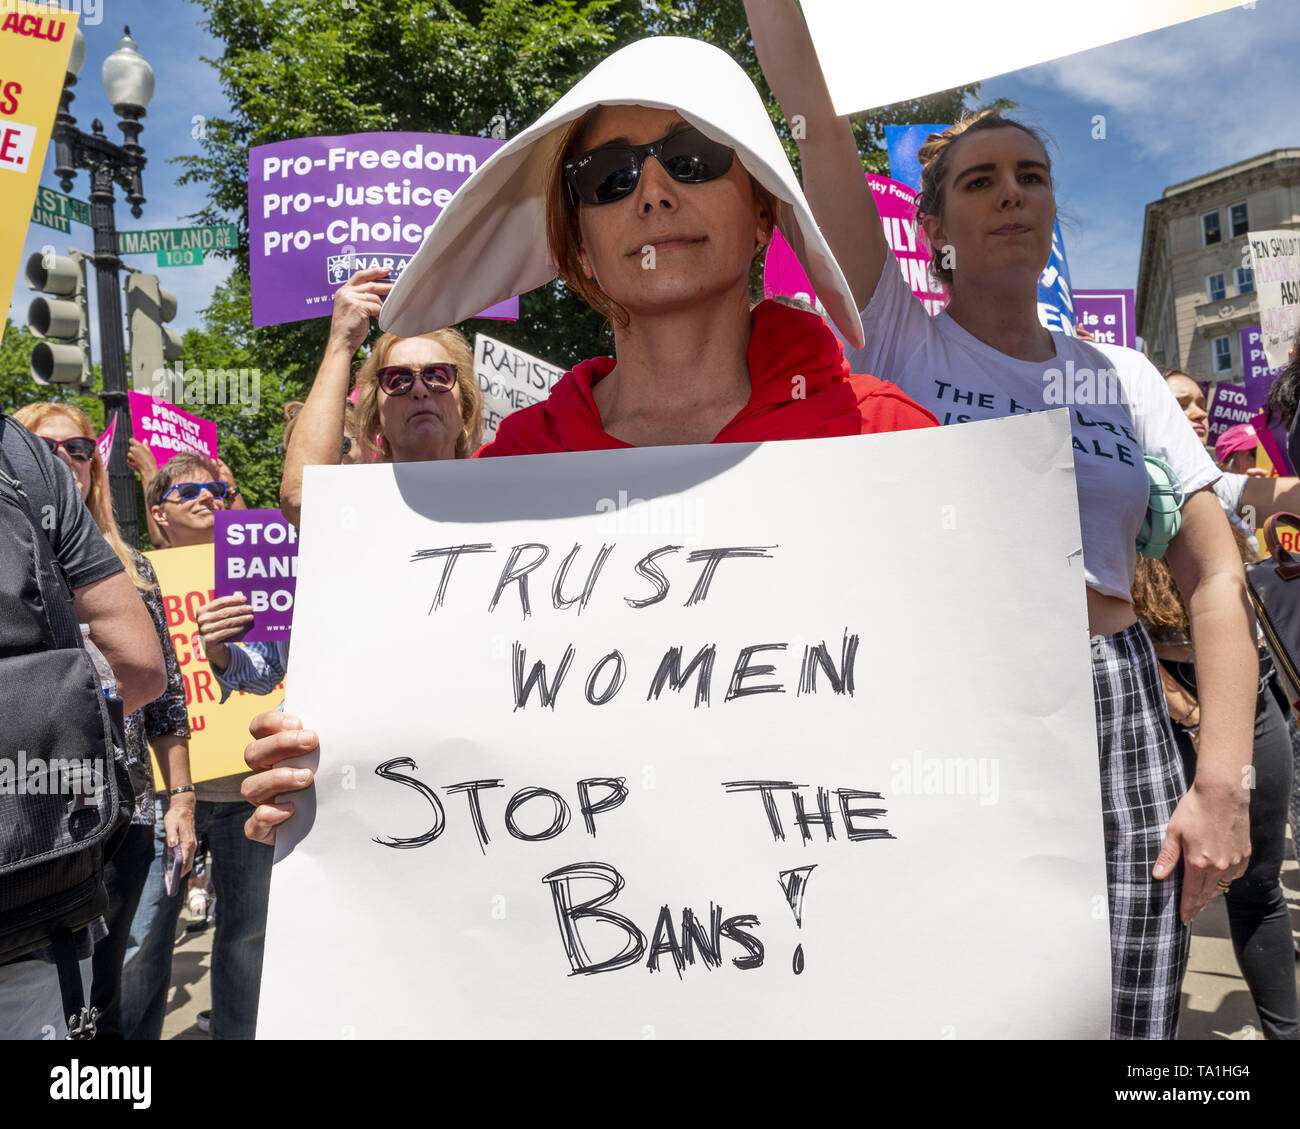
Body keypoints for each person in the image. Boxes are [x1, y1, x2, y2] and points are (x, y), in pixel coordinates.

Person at [237, 33, 935, 866]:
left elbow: (985, 707)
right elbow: (437, 724)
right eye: (609, 178)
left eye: (694, 156)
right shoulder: (510, 478)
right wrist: (330, 764)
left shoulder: (887, 438)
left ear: (762, 211)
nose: (652, 192)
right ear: (578, 249)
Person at [745, 0, 1255, 1039]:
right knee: (961, 999)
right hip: (944, 711)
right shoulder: (895, 337)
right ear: (932, 227)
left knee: (1126, 1012)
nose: (1010, 193)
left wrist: (1222, 781)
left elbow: (1213, 577)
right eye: (979, 180)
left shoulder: (1121, 377)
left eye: (1030, 176)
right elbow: (814, 116)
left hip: (1115, 710)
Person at [12, 404, 196, 1039]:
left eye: (82, 449)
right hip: (30, 811)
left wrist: (182, 797)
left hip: (123, 813)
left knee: (106, 988)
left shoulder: (135, 569)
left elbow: (164, 694)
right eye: (47, 447)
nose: (67, 459)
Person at [120, 452, 272, 1040]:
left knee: (246, 937)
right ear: (158, 514)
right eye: (190, 493)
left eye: (216, 489)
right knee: (142, 940)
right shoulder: (132, 578)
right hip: (165, 793)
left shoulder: (262, 573)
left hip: (246, 785)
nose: (210, 498)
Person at [1133, 534, 1299, 1038]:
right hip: (1160, 705)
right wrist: (1193, 714)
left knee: (1257, 884)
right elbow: (1093, 622)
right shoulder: (1085, 493)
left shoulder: (1195, 482)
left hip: (1253, 697)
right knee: (1158, 892)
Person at [278, 266, 483, 528]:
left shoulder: (504, 489)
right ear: (376, 421)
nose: (420, 390)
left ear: (465, 412)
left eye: (438, 376)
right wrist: (342, 343)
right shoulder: (357, 503)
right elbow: (302, 498)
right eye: (398, 380)